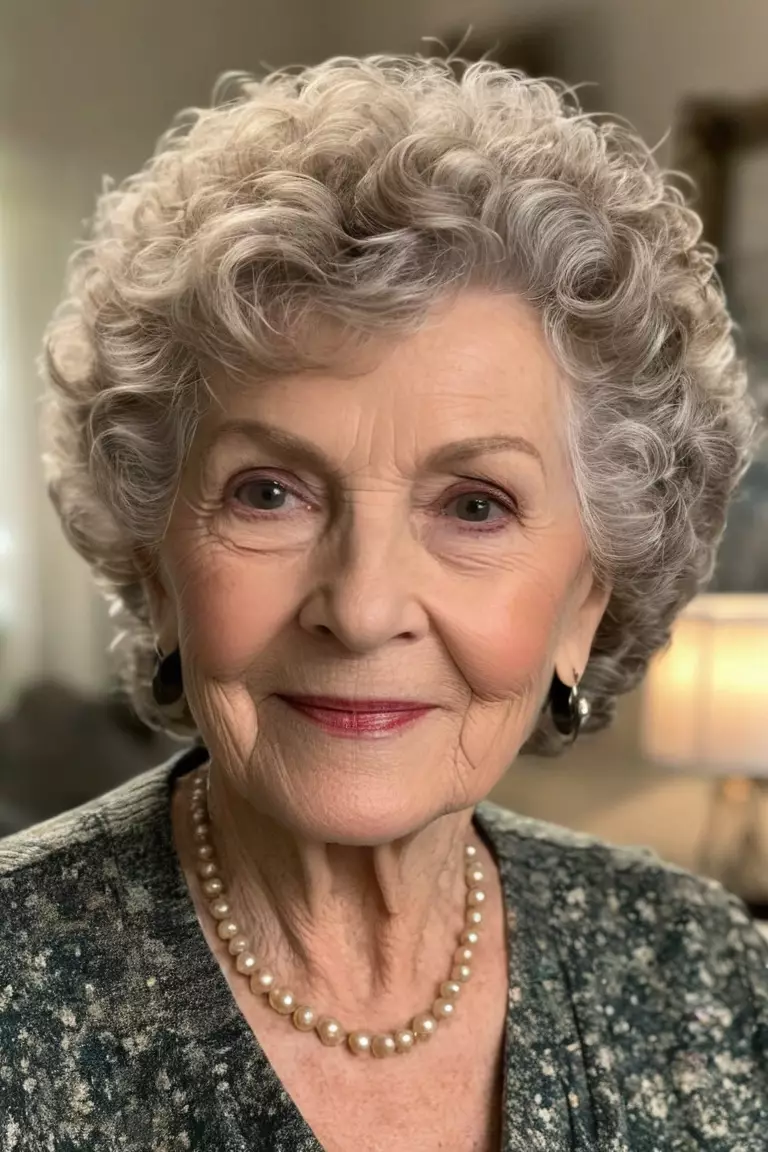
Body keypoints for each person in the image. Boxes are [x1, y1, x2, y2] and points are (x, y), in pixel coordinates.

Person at [1, 54, 766, 1151]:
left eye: (476, 506)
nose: (361, 610)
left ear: (586, 605)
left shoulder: (712, 980)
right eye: (268, 494)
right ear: (158, 563)